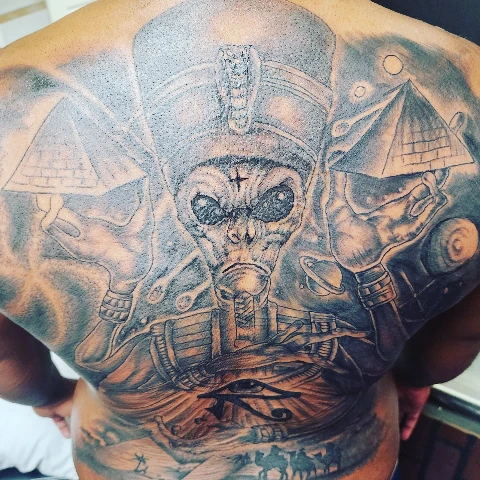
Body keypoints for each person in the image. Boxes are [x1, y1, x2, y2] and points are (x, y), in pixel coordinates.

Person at [0, 0, 479, 479]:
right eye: (209, 208)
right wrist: (411, 375)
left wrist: (50, 394)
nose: (243, 240)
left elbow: (8, 360)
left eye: (276, 202)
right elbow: (460, 337)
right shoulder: (470, 76)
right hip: (344, 456)